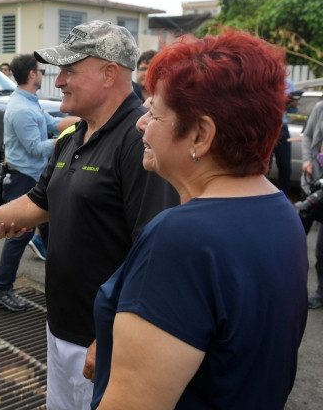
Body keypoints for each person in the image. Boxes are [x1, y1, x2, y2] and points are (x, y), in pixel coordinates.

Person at [0, 21, 179, 409]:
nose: (60, 81)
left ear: (108, 73)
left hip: (102, 340)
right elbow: (38, 204)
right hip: (61, 328)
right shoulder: (73, 136)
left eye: (70, 70)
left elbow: (154, 253)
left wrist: (115, 338)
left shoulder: (140, 140)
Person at [91, 31, 308, 409]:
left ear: (201, 135)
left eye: (155, 112)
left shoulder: (181, 237)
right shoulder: (281, 211)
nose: (141, 124)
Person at [0, 53, 77, 312]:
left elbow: (51, 123)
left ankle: (62, 291)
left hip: (34, 177)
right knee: (19, 236)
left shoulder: (29, 102)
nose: (42, 74)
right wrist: (67, 141)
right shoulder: (20, 108)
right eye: (39, 70)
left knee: (53, 235)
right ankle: (1, 287)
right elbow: (35, 148)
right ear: (31, 75)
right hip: (22, 180)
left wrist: (81, 123)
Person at [302, 99, 323, 308]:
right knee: (296, 237)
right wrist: (307, 159)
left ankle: (321, 292)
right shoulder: (320, 107)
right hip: (315, 184)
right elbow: (307, 136)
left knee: (321, 247)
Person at [269, 75, 296, 195]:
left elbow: (294, 111)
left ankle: (284, 194)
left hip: (283, 127)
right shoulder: (265, 81)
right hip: (268, 127)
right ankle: (262, 194)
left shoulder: (289, 84)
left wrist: (293, 104)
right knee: (265, 164)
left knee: (285, 165)